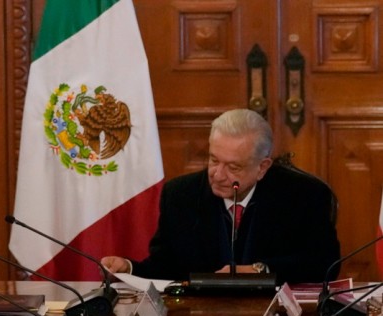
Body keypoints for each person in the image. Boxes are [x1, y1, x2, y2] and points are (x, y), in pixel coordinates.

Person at [102, 108, 340, 285]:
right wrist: (130, 268)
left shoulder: (304, 195)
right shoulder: (180, 194)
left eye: (233, 167)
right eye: (214, 160)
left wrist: (261, 270)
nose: (217, 174)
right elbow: (166, 266)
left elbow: (324, 263)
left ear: (263, 167)